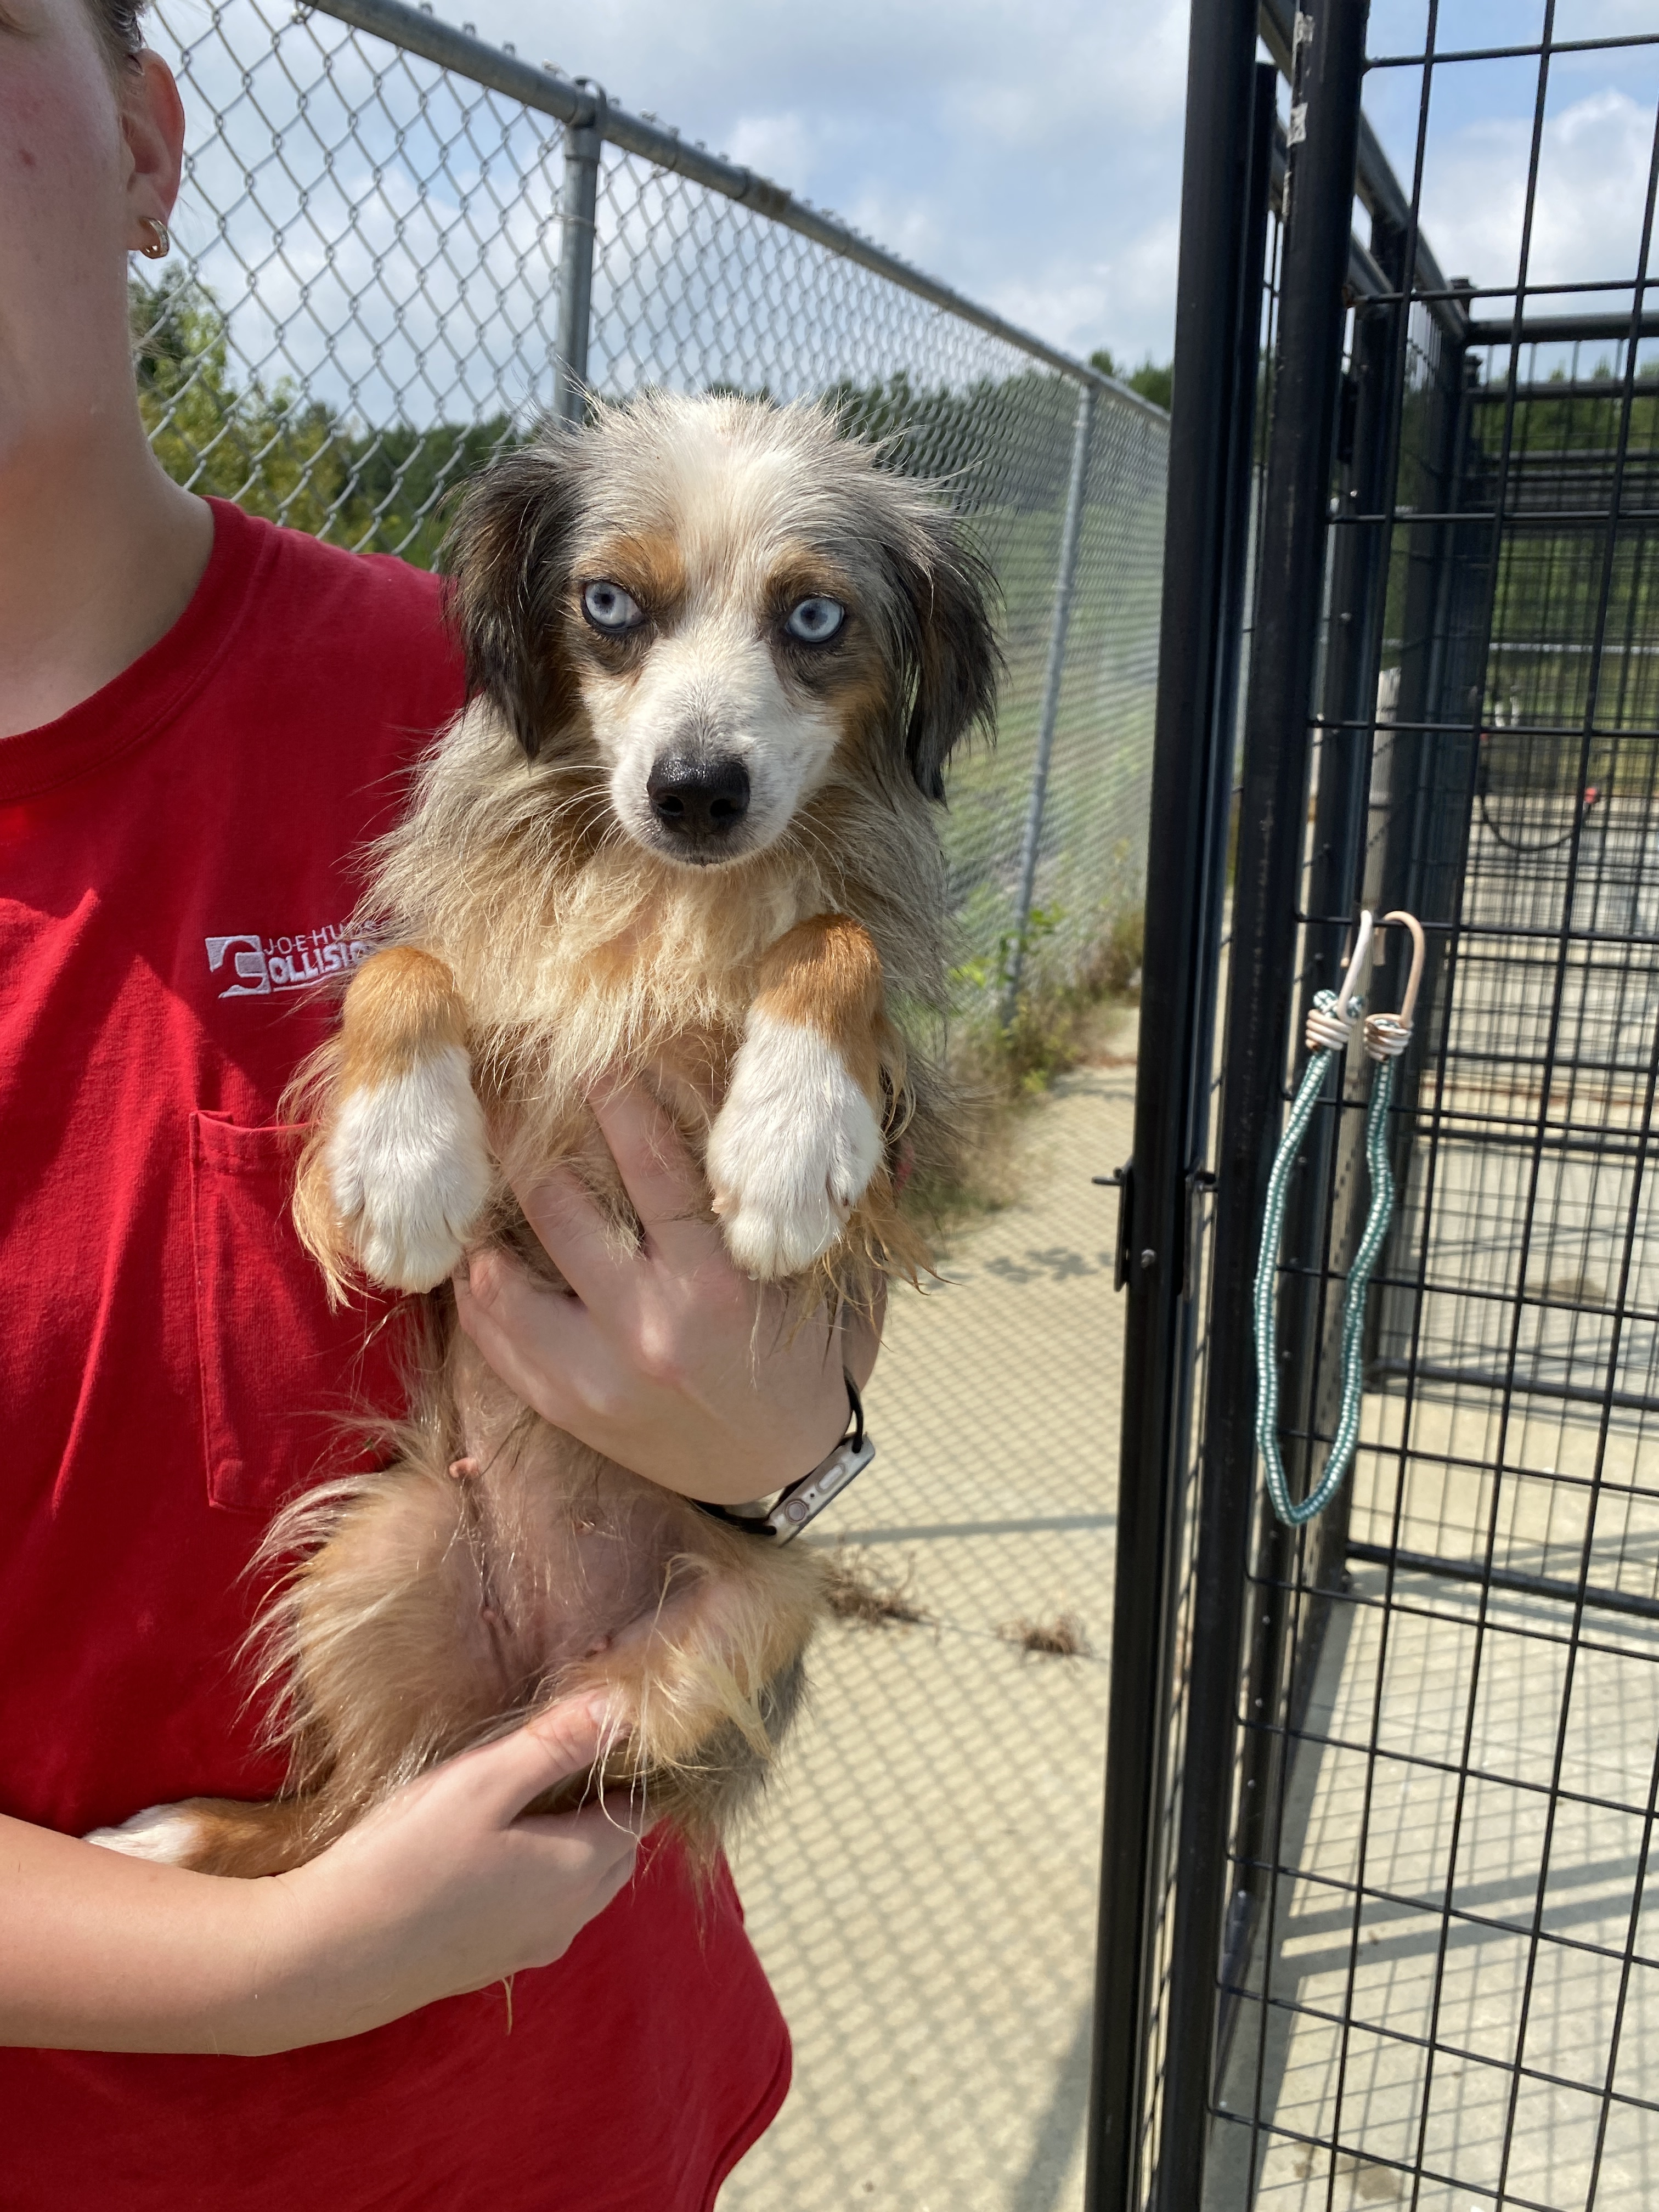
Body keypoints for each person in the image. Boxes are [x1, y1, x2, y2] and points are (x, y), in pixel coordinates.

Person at [0, 0, 875, 2201]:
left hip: (570, 2107)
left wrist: (790, 1438)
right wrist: (288, 1954)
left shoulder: (513, 707)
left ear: (143, 144)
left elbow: (793, 1214)